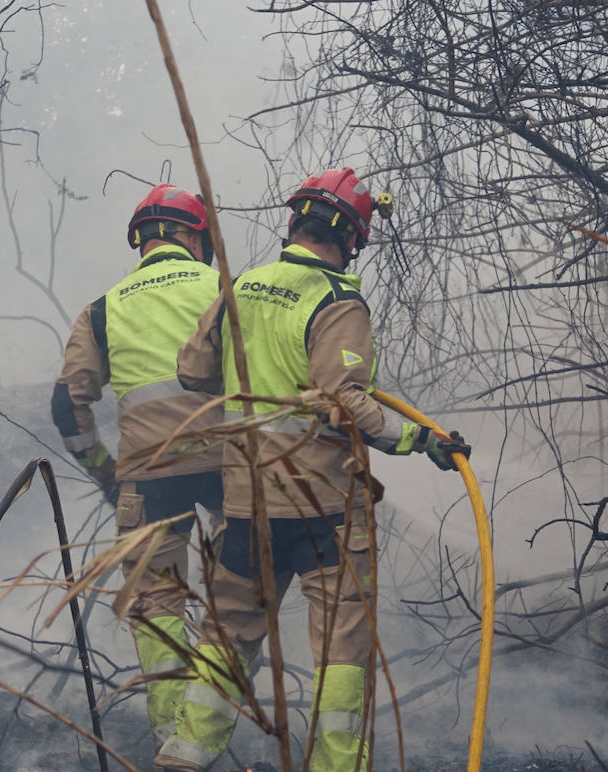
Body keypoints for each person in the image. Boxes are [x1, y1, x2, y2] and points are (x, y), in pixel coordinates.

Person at [156, 168, 471, 772]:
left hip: (246, 502)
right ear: (351, 239)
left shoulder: (242, 284)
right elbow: (347, 402)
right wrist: (420, 439)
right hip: (324, 507)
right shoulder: (336, 300)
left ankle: (184, 757)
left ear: (295, 223)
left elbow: (194, 372)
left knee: (229, 631)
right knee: (340, 651)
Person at [51, 183, 225, 753]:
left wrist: (106, 473)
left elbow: (66, 405)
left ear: (141, 241)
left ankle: (175, 744)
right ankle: (215, 729)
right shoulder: (227, 289)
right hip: (232, 465)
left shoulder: (104, 308)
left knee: (156, 605)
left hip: (147, 475)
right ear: (196, 236)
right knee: (240, 600)